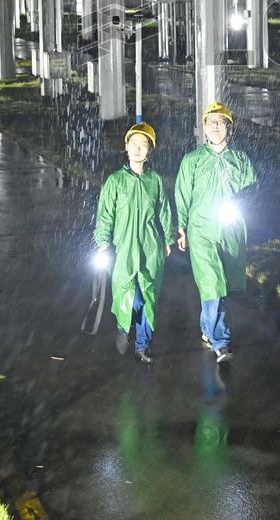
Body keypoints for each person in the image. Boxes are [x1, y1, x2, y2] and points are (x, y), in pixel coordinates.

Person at [174, 102, 257, 363]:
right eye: (211, 122)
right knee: (213, 282)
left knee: (224, 284)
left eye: (221, 123)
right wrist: (182, 227)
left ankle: (207, 329)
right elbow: (182, 194)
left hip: (230, 230)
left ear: (229, 128)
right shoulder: (193, 160)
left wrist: (244, 207)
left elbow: (252, 189)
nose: (216, 127)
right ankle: (221, 341)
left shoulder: (240, 159)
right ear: (204, 128)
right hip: (201, 231)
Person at [93, 122, 173, 364]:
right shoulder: (115, 181)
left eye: (144, 144)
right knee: (128, 294)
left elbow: (164, 212)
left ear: (150, 150)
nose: (138, 148)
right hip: (123, 249)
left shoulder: (155, 181)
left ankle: (143, 346)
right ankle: (123, 326)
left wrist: (168, 238)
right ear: (126, 147)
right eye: (134, 143)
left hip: (149, 248)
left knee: (148, 296)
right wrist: (103, 240)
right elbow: (105, 213)